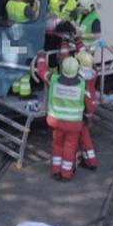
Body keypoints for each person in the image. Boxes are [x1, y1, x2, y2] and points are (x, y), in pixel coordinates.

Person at [36, 53, 95, 181]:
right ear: (77, 70)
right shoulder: (82, 84)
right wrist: (88, 116)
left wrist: (41, 57)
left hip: (56, 121)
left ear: (62, 68)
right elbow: (89, 105)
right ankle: (66, 174)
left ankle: (56, 171)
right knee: (70, 147)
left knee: (57, 145)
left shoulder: (53, 79)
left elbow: (42, 71)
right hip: (73, 124)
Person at [75, 50, 100, 170]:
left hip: (83, 111)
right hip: (89, 108)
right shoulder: (94, 72)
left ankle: (91, 162)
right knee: (84, 136)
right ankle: (90, 160)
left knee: (83, 137)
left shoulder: (79, 78)